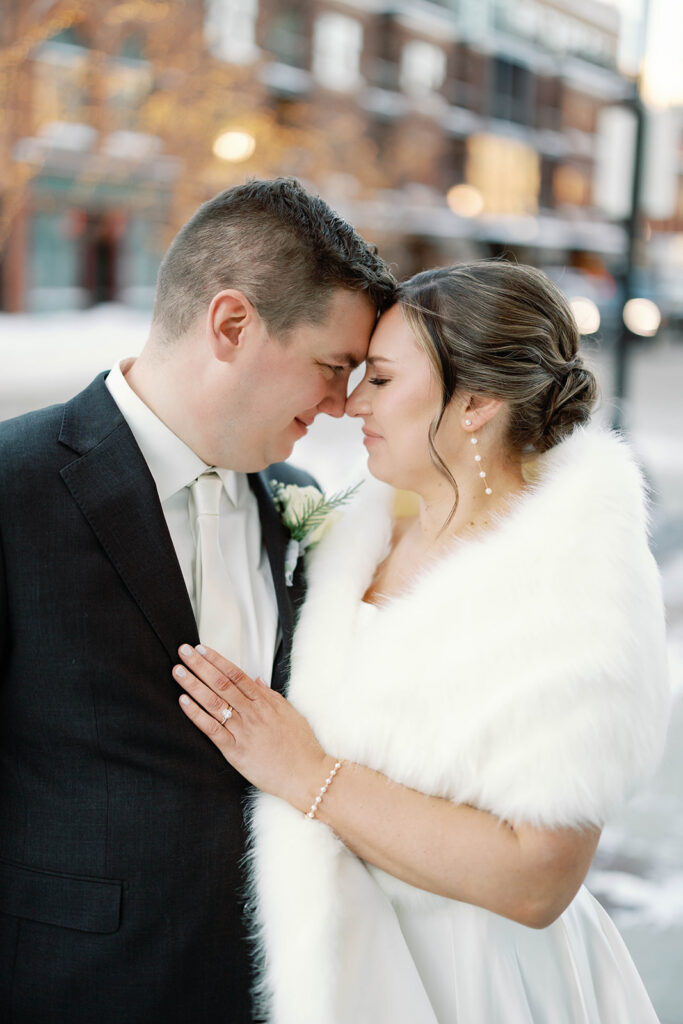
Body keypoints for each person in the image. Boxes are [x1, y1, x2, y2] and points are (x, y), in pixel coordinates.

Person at [173, 261, 670, 1023]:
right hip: (330, 960)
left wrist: (307, 772)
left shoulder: (575, 575)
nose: (347, 403)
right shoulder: (358, 529)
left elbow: (539, 879)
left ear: (474, 403)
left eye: (380, 379)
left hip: (473, 980)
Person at [0, 178, 395, 1023]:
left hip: (268, 990)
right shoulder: (13, 486)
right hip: (70, 990)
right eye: (332, 368)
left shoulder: (296, 499)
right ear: (231, 325)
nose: (337, 405)